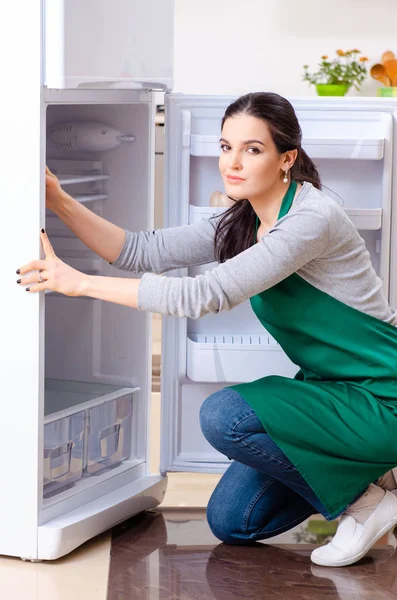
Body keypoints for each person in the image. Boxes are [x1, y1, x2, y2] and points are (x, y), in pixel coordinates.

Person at [17, 92, 397, 568]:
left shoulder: (310, 220)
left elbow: (203, 296)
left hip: (383, 396)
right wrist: (57, 197)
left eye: (252, 149)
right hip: (332, 395)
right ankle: (376, 475)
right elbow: (139, 251)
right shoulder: (245, 219)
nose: (231, 163)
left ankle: (364, 504)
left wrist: (78, 283)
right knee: (233, 522)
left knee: (225, 417)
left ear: (288, 158)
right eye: (225, 146)